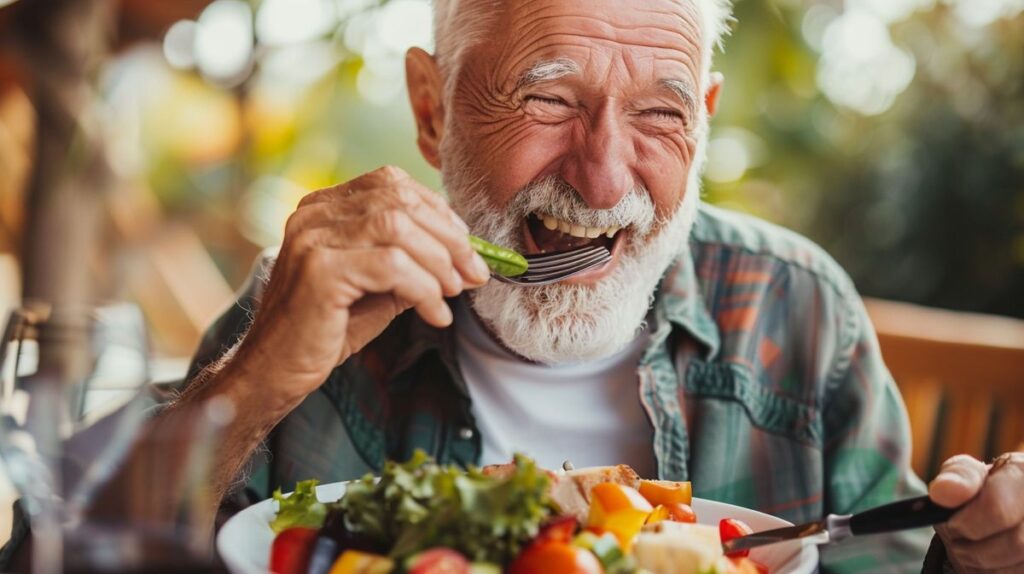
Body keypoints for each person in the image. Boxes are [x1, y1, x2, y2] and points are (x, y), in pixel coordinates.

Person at [3, 1, 1021, 573]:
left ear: (705, 118)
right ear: (432, 108)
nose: (603, 175)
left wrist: (984, 559)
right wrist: (254, 380)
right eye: (548, 98)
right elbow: (57, 554)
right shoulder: (309, 299)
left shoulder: (802, 313)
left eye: (660, 118)